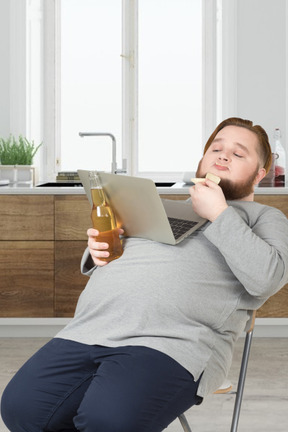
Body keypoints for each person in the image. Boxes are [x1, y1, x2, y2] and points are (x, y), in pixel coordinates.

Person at [2, 117, 288, 432]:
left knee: (107, 421)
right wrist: (98, 247)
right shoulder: (158, 206)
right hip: (89, 330)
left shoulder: (264, 218)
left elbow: (268, 278)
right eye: (216, 148)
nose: (222, 156)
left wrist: (219, 213)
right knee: (21, 411)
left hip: (172, 343)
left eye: (238, 154)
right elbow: (116, 255)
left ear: (260, 174)